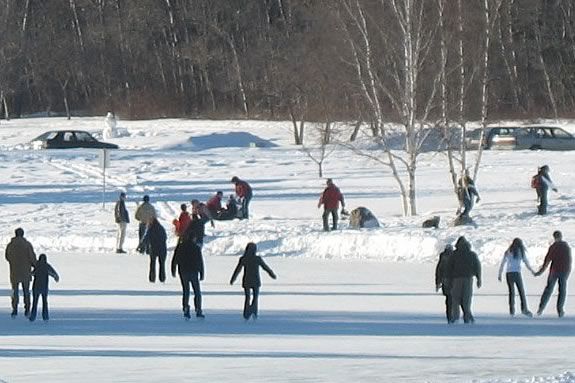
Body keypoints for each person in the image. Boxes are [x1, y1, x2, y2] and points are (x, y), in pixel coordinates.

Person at [230, 242, 277, 320]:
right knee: (255, 298)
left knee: (247, 297)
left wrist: (233, 279)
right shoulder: (257, 259)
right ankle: (253, 312)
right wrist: (272, 274)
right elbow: (265, 267)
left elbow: (237, 270)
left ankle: (246, 314)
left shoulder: (243, 258)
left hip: (247, 281)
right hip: (255, 281)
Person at [534, 230, 571, 317]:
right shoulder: (566, 247)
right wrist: (568, 272)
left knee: (548, 290)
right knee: (562, 291)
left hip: (554, 271)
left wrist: (540, 272)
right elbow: (569, 260)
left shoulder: (553, 247)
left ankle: (540, 309)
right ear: (561, 236)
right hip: (564, 271)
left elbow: (547, 261)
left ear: (554, 237)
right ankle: (560, 310)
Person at [171, 230, 205, 319]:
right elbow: (200, 261)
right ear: (193, 238)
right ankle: (198, 309)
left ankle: (186, 308)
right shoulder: (196, 248)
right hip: (193, 271)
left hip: (183, 272)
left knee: (186, 291)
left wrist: (173, 269)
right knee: (197, 292)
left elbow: (175, 259)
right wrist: (201, 273)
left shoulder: (180, 247)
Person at [447, 236, 481, 324]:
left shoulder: (454, 254)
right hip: (468, 279)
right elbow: (477, 266)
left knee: (455, 298)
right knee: (467, 299)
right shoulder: (472, 254)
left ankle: (455, 317)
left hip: (457, 279)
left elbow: (449, 267)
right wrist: (478, 278)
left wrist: (448, 279)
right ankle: (467, 317)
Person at [497, 238, 535, 317]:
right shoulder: (520, 251)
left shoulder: (508, 251)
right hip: (517, 273)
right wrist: (532, 270)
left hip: (509, 274)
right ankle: (524, 309)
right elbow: (526, 262)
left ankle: (512, 310)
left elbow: (503, 263)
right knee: (521, 292)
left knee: (511, 292)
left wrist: (500, 274)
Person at [5, 228, 37, 318]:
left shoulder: (10, 245)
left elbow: (7, 257)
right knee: (26, 291)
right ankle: (27, 309)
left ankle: (14, 309)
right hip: (25, 272)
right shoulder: (27, 245)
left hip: (14, 271)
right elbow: (32, 258)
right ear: (23, 234)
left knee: (14, 291)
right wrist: (35, 266)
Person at [29, 253, 59, 322]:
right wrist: (56, 277)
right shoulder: (47, 266)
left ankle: (32, 317)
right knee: (45, 302)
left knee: (35, 303)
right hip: (44, 287)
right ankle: (45, 317)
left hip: (36, 287)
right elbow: (53, 273)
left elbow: (32, 273)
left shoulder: (37, 265)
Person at [435, 244, 454, 323]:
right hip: (453, 281)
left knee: (448, 299)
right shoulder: (455, 257)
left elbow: (439, 270)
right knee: (454, 299)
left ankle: (449, 316)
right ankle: (453, 316)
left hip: (445, 281)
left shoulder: (442, 257)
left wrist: (438, 282)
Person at [146, 218, 167, 283]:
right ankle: (162, 278)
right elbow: (165, 237)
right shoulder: (161, 228)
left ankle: (152, 278)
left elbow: (146, 238)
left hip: (153, 248)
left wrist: (142, 246)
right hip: (162, 248)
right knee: (162, 264)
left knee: (152, 263)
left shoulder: (150, 229)